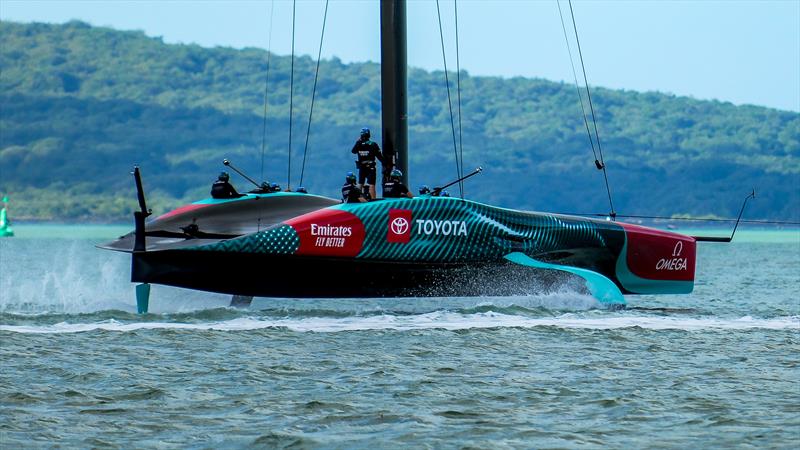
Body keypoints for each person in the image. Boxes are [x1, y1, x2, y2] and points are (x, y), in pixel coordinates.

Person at [351, 127, 384, 200]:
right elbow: (379, 157)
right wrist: (386, 163)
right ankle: (373, 200)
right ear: (369, 135)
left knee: (360, 183)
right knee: (371, 184)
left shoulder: (358, 144)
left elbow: (353, 151)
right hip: (370, 167)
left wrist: (358, 142)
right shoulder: (373, 144)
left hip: (361, 167)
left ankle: (358, 198)